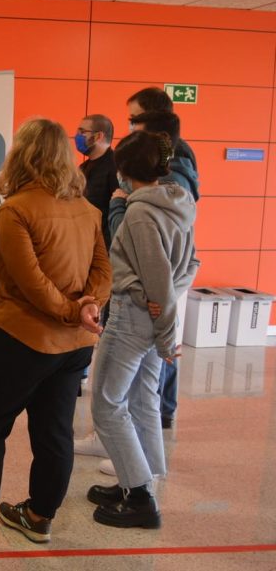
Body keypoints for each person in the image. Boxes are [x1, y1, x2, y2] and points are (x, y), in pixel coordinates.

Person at [0, 118, 111, 551]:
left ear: (22, 154)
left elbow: (30, 283)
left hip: (17, 339)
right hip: (73, 348)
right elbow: (102, 272)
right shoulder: (88, 211)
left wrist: (72, 310)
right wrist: (87, 307)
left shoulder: (16, 209)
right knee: (54, 431)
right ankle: (38, 517)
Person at [87, 130, 199, 529]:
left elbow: (157, 278)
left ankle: (138, 496)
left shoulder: (138, 212)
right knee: (142, 397)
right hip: (152, 315)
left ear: (124, 170)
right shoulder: (180, 204)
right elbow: (189, 267)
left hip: (133, 318)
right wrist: (164, 306)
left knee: (106, 403)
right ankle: (142, 476)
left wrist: (165, 325)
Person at [75, 114, 117, 248]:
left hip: (105, 247)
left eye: (82, 132)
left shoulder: (116, 167)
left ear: (98, 136)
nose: (77, 136)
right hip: (84, 242)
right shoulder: (83, 168)